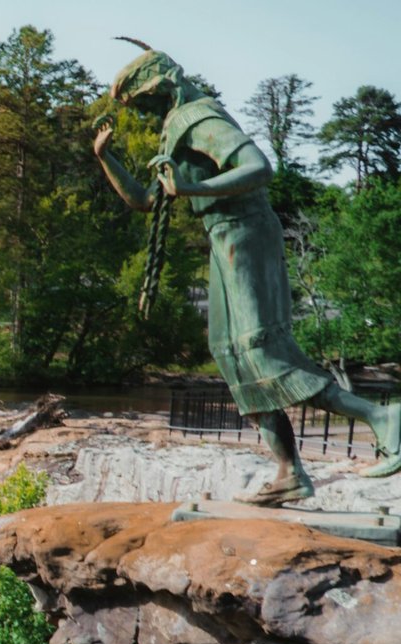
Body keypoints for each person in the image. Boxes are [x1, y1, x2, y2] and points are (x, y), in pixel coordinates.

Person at [94, 41, 401, 505]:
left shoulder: (199, 117)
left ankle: (382, 417)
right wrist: (105, 157)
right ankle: (288, 472)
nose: (145, 115)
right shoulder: (177, 126)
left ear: (167, 88)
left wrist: (193, 186)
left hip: (246, 235)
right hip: (223, 241)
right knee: (230, 353)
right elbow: (146, 200)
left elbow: (259, 167)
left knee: (262, 353)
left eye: (148, 104)